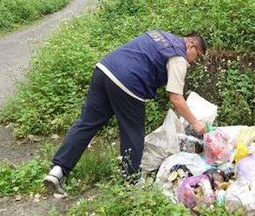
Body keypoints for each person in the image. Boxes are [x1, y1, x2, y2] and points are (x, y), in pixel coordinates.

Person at [44, 30, 207, 194]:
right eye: (198, 57)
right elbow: (176, 97)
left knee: (86, 123)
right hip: (129, 83)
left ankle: (57, 171)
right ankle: (132, 183)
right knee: (133, 132)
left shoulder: (161, 35)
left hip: (104, 70)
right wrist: (195, 123)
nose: (194, 62)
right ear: (191, 46)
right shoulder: (178, 57)